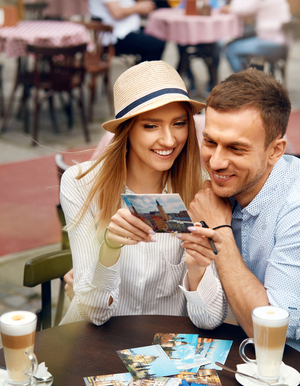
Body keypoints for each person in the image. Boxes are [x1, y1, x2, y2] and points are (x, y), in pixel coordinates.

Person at [60, 60, 227, 328]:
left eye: (179, 123)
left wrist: (197, 269)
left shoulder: (202, 188)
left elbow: (209, 320)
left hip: (171, 351)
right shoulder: (81, 184)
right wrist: (109, 249)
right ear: (127, 129)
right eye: (151, 126)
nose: (169, 140)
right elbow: (94, 314)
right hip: (94, 345)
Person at [180, 68, 300, 351]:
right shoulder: (219, 192)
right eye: (210, 141)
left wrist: (221, 233)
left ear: (275, 150)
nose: (216, 162)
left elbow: (274, 332)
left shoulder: (295, 207)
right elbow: (206, 316)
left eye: (236, 148)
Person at [221, 0, 292, 73]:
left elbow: (239, 9)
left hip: (271, 41)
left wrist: (229, 8)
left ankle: (245, 81)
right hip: (281, 41)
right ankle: (250, 75)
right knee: (241, 44)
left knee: (230, 49)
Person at [88, 0, 165, 62]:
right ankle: (144, 78)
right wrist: (139, 7)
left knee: (159, 36)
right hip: (114, 37)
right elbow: (117, 13)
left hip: (126, 31)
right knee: (155, 45)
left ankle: (140, 75)